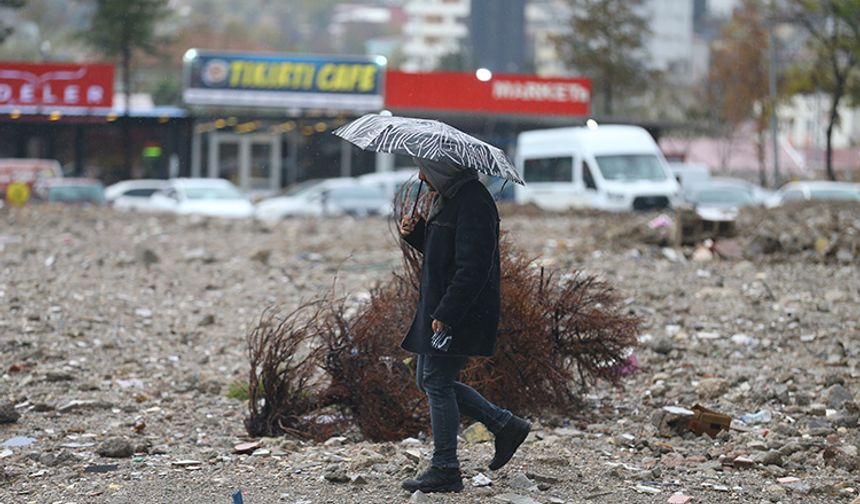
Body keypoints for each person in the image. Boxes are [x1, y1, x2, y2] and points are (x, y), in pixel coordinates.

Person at [398, 157, 531, 494]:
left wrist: (448, 312)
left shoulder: (474, 202)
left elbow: (472, 268)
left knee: (436, 381)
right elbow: (445, 251)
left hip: (460, 311)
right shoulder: (452, 198)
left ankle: (445, 467)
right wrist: (417, 235)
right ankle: (504, 425)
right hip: (444, 307)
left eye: (425, 169)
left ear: (443, 169)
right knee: (427, 380)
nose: (420, 176)